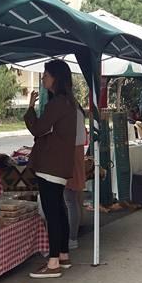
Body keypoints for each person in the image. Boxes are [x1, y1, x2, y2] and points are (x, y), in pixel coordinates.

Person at [24, 60, 79, 279]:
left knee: (52, 212)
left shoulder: (57, 103)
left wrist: (29, 109)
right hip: (59, 164)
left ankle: (53, 262)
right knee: (59, 210)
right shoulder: (69, 102)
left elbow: (38, 129)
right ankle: (63, 255)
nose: (44, 78)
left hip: (49, 165)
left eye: (46, 74)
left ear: (55, 77)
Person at [64, 99, 88, 250]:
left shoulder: (72, 112)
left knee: (70, 200)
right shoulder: (78, 111)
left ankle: (72, 237)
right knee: (72, 200)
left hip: (70, 155)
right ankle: (71, 236)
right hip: (76, 153)